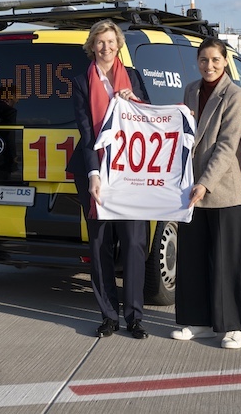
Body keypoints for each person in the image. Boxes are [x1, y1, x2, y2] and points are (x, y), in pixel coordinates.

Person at [66, 20, 150, 339]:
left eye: (111, 42)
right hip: (97, 172)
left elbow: (149, 123)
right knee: (100, 245)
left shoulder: (135, 78)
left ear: (119, 45)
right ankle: (109, 315)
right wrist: (92, 174)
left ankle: (135, 316)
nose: (106, 47)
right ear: (92, 45)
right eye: (100, 42)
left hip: (130, 171)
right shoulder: (80, 81)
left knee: (133, 243)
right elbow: (86, 132)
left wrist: (135, 103)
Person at [171, 37, 241, 349]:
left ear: (225, 61)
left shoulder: (236, 95)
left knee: (225, 260)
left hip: (223, 190)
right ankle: (199, 321)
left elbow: (226, 146)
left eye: (215, 60)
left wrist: (205, 182)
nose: (209, 66)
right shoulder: (191, 90)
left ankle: (232, 326)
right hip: (191, 189)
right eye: (204, 60)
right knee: (192, 258)